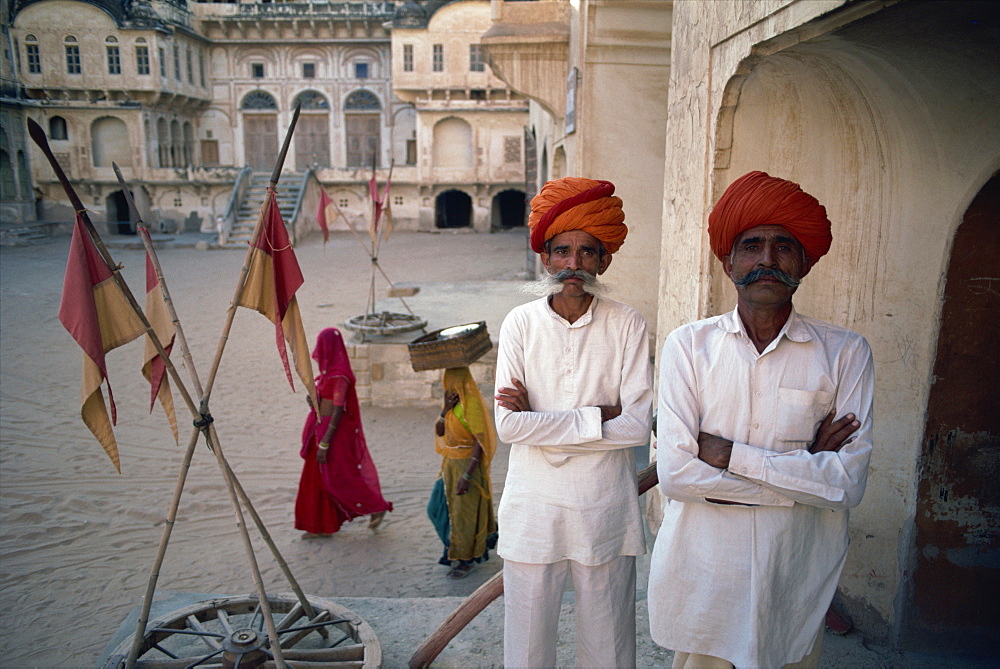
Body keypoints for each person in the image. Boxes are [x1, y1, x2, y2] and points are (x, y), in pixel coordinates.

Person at [648, 171, 875, 668]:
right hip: (706, 572)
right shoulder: (688, 347)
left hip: (793, 572)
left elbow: (848, 484)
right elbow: (679, 476)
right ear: (729, 263)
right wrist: (804, 472)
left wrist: (731, 456)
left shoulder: (845, 354)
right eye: (752, 246)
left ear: (806, 262)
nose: (767, 260)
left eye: (783, 247)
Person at [494, 176, 653, 668]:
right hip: (533, 502)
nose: (574, 264)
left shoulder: (627, 323)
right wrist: (595, 417)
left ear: (604, 261)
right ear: (545, 259)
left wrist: (542, 422)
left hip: (602, 504)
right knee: (526, 641)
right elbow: (508, 428)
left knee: (608, 641)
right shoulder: (520, 322)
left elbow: (635, 429)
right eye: (562, 251)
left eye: (588, 252)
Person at [295, 327, 391, 536]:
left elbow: (338, 411)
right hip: (319, 430)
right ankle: (320, 525)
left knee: (341, 477)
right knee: (316, 479)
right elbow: (324, 403)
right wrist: (312, 401)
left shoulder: (340, 377)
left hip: (333, 434)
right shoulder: (326, 375)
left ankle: (377, 506)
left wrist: (325, 443)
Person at [427, 366, 499, 579]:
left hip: (468, 467)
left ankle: (465, 559)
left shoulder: (472, 406)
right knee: (436, 508)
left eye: (451, 382)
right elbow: (440, 431)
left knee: (464, 516)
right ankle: (456, 546)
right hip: (449, 465)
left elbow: (479, 441)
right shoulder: (450, 405)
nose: (448, 387)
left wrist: (467, 476)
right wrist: (445, 410)